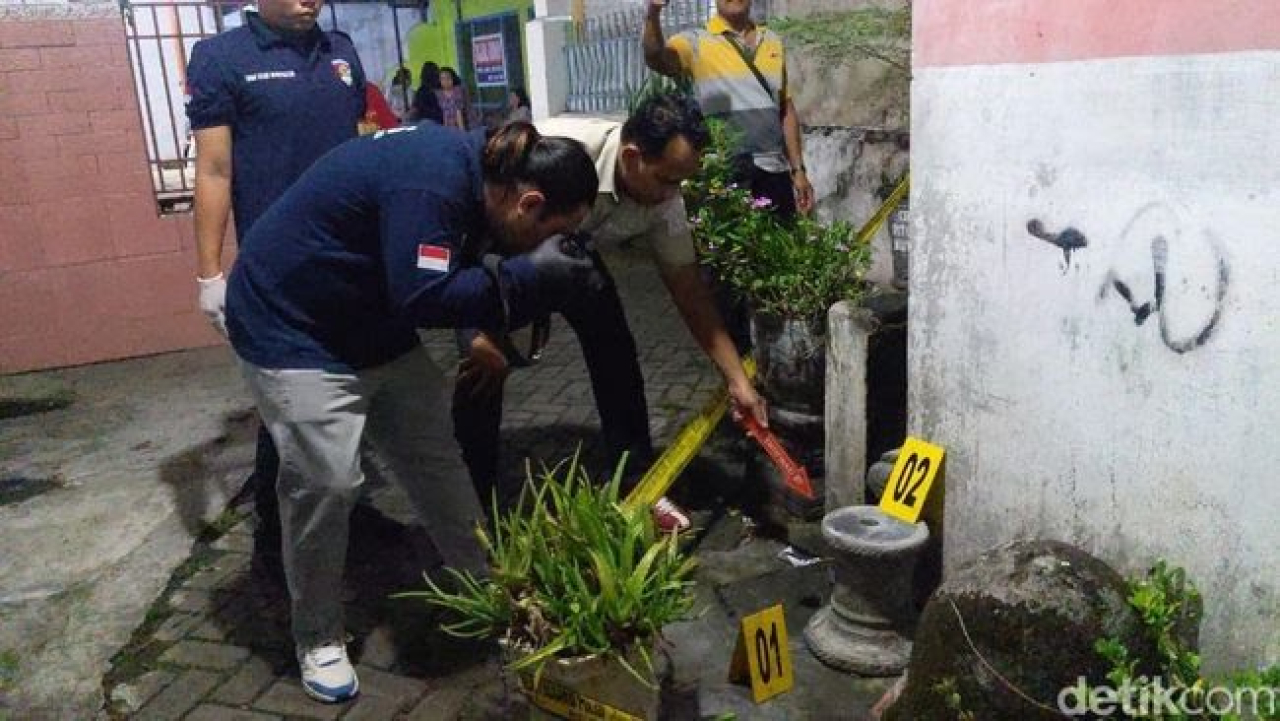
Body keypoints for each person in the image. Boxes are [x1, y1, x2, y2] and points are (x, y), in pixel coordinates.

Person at [225, 122, 602, 704]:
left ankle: (489, 591)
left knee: (435, 459)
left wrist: (505, 300)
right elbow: (425, 294)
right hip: (293, 326)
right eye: (547, 234)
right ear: (528, 201)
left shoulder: (488, 176)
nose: (541, 248)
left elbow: (461, 255)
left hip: (373, 320)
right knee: (326, 483)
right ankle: (318, 635)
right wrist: (529, 277)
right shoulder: (431, 184)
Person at [453, 91, 768, 533]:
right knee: (485, 367)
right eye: (666, 180)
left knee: (616, 351)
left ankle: (638, 480)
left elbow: (689, 292)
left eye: (681, 182)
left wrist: (737, 379)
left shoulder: (664, 199)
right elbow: (471, 233)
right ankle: (471, 498)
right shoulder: (554, 148)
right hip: (506, 252)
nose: (672, 195)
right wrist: (474, 330)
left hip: (575, 257)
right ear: (634, 155)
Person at [185, 0, 366, 582]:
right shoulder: (220, 58)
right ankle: (273, 532)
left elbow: (360, 145)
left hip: (351, 258)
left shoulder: (341, 51)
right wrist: (210, 274)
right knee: (285, 406)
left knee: (350, 387)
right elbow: (214, 170)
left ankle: (348, 515)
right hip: (277, 268)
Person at [643, 0, 815, 351]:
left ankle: (774, 348)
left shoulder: (773, 41)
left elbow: (785, 108)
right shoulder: (696, 41)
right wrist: (653, 14)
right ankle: (738, 360)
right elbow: (657, 58)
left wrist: (799, 170)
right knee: (726, 274)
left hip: (774, 169)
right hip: (725, 173)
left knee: (776, 261)